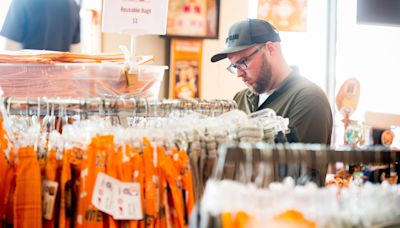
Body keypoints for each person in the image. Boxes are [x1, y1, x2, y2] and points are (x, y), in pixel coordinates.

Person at [211, 18, 332, 144]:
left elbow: (302, 162)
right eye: (235, 66)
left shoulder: (309, 98)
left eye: (243, 62)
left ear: (270, 49)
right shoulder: (241, 98)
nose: (239, 74)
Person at [1, 0, 80, 52]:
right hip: (61, 75)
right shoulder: (73, 5)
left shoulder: (21, 2)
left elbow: (10, 51)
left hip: (28, 75)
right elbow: (75, 53)